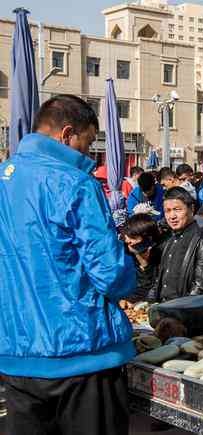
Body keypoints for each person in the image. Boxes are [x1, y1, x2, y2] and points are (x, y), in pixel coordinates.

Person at [0, 94, 136, 435]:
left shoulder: (3, 178)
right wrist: (129, 273)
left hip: (17, 355)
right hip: (82, 351)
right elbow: (111, 272)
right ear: (67, 134)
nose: (87, 155)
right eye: (88, 144)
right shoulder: (75, 183)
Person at [151, 186, 203, 301]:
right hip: (164, 308)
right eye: (168, 211)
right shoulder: (170, 237)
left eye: (177, 209)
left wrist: (180, 311)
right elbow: (160, 279)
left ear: (191, 209)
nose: (172, 216)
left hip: (186, 311)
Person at [122, 213, 164, 302]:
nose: (127, 240)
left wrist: (144, 264)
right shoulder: (128, 253)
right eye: (126, 235)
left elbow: (151, 289)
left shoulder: (160, 254)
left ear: (148, 237)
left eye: (133, 237)